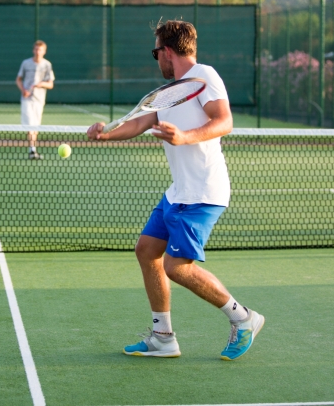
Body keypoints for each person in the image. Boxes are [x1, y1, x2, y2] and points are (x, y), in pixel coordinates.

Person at [86, 20, 264, 360]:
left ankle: (243, 319)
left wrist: (185, 137)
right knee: (146, 251)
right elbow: (140, 123)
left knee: (176, 266)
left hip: (202, 194)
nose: (157, 60)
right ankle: (163, 337)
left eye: (156, 52)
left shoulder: (203, 77)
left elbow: (224, 121)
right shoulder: (169, 93)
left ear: (168, 51)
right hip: (178, 192)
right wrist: (105, 135)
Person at [16, 40, 55, 159]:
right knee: (29, 124)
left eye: (40, 50)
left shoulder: (47, 65)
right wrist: (23, 90)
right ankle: (32, 149)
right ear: (33, 50)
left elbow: (51, 84)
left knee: (36, 126)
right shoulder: (26, 63)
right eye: (36, 49)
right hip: (27, 99)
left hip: (39, 100)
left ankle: (33, 149)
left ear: (44, 51)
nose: (38, 52)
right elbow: (18, 79)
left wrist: (41, 84)